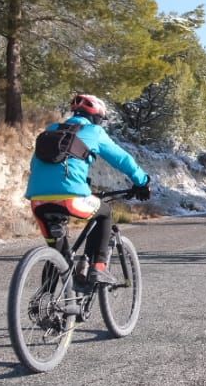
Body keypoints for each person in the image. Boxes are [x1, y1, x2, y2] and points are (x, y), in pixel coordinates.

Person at [25, 93, 150, 285]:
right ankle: (98, 268)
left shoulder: (51, 129)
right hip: (71, 197)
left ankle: (46, 304)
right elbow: (122, 159)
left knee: (58, 253)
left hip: (38, 200)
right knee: (104, 213)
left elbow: (38, 164)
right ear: (96, 117)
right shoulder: (94, 131)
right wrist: (142, 182)